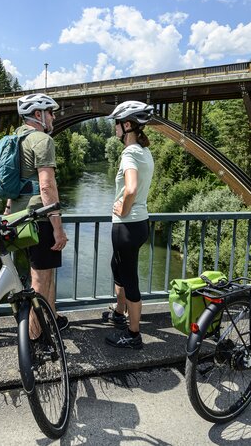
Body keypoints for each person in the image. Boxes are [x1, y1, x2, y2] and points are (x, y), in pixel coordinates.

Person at [4, 93, 69, 334]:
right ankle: (34, 339)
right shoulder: (42, 139)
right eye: (51, 112)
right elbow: (46, 186)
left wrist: (8, 212)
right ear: (39, 115)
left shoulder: (16, 140)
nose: (53, 117)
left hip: (17, 219)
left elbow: (15, 183)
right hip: (39, 218)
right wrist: (58, 228)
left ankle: (50, 326)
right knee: (40, 283)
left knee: (42, 275)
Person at [103, 100, 154, 350]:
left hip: (127, 225)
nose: (114, 129)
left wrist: (122, 208)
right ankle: (119, 313)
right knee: (118, 267)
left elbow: (131, 188)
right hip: (140, 223)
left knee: (129, 279)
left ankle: (133, 335)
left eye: (116, 124)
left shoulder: (130, 152)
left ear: (126, 125)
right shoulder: (145, 152)